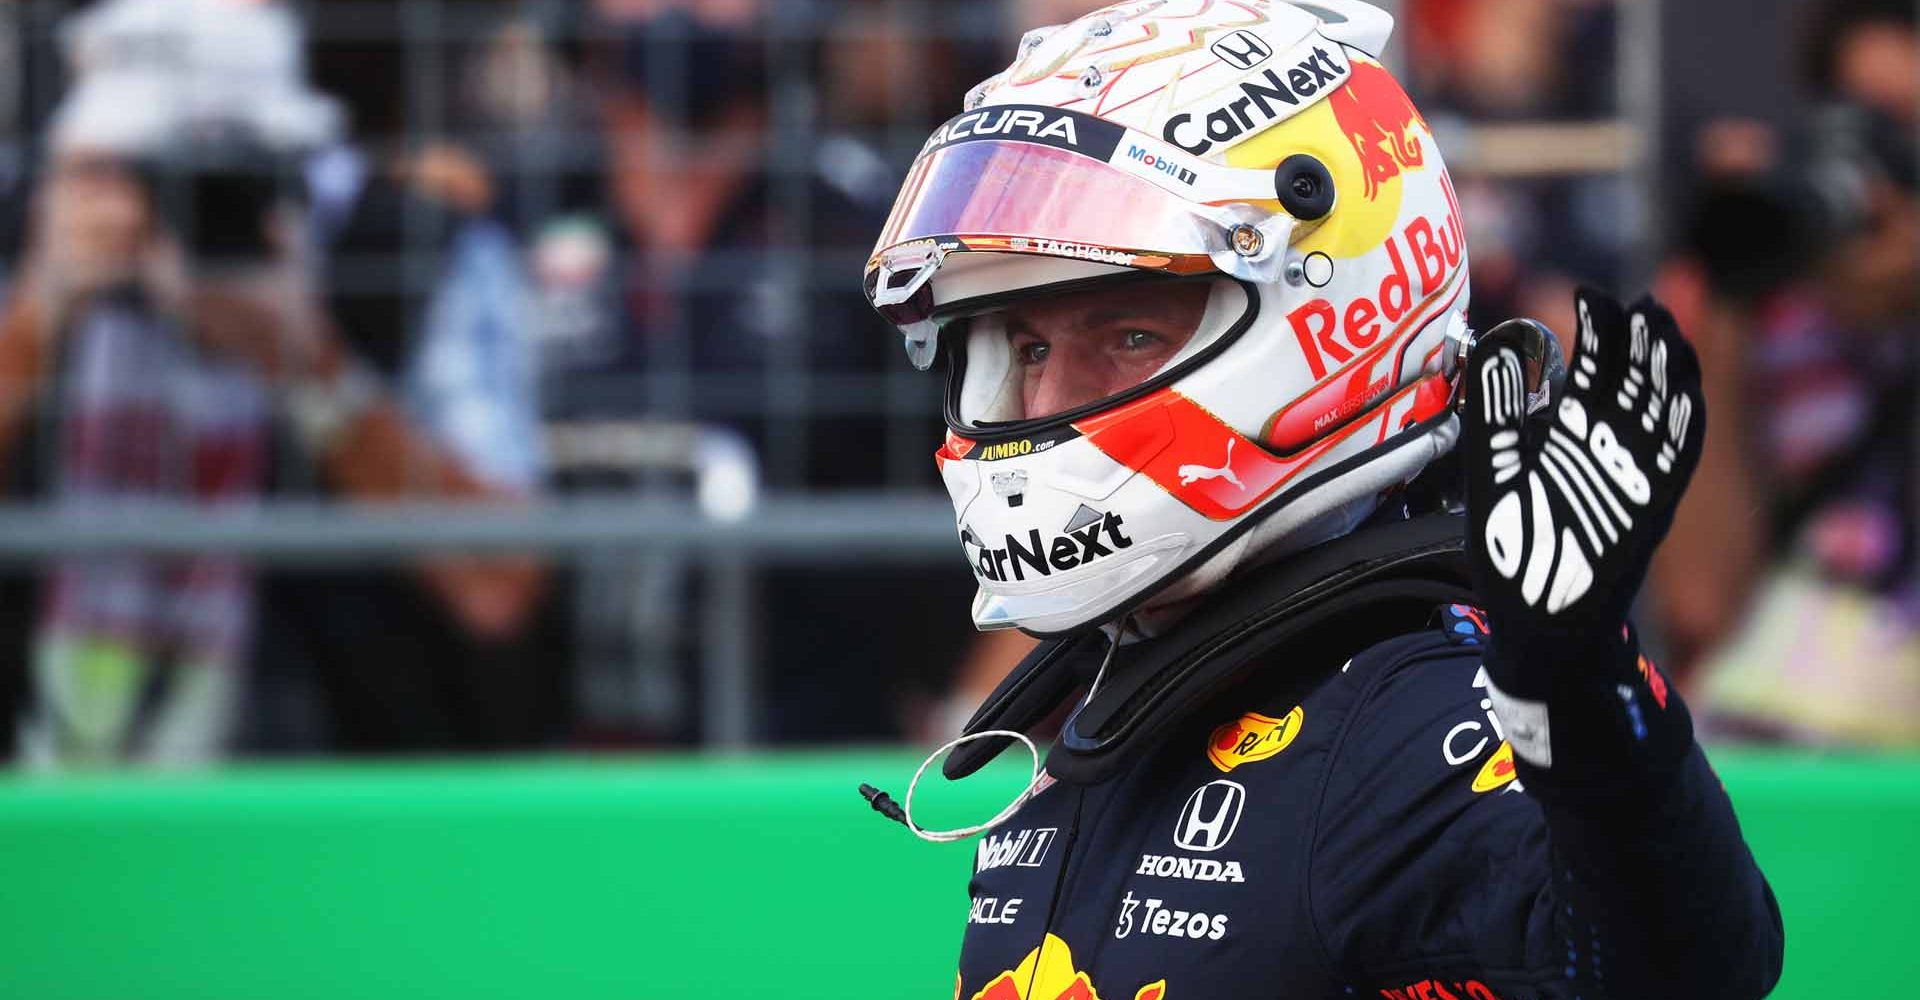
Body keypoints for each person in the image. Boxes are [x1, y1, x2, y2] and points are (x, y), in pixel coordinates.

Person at [857, 3, 1783, 997]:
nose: (1041, 400)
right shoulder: (1113, 688)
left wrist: (1581, 689)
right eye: (1026, 348)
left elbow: (1680, 970)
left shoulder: (1395, 722)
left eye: (1124, 334)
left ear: (1323, 322)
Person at [0, 0, 551, 762]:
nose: (186, 207)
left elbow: (501, 584)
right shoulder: (25, 227)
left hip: (322, 805)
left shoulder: (408, 248)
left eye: (224, 175)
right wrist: (37, 318)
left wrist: (311, 365)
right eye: (142, 165)